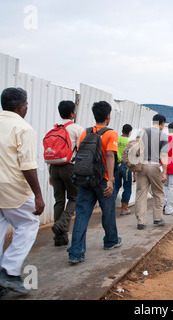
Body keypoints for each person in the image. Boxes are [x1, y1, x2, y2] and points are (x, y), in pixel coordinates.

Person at [0, 87, 45, 300]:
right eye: (26, 104)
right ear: (20, 106)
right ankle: (9, 270)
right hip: (13, 189)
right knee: (29, 223)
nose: (26, 108)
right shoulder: (23, 128)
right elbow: (27, 166)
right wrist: (39, 196)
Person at [67, 101, 121, 264]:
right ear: (108, 116)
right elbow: (110, 156)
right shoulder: (111, 134)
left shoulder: (85, 132)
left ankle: (76, 252)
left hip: (86, 180)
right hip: (103, 180)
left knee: (82, 215)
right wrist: (110, 180)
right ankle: (110, 241)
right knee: (108, 211)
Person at [49, 100, 84, 246]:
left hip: (54, 167)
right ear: (72, 113)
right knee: (75, 197)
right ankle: (62, 225)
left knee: (59, 201)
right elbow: (82, 151)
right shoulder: (77, 129)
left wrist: (50, 174)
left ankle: (59, 238)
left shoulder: (54, 128)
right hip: (69, 167)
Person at [135, 114, 169, 230]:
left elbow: (137, 151)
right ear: (162, 123)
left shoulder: (142, 132)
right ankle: (158, 218)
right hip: (154, 165)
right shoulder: (163, 135)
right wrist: (164, 172)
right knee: (158, 192)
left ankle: (141, 222)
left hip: (142, 166)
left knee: (141, 193)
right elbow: (164, 155)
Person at [115, 124, 134, 215]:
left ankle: (109, 207)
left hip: (116, 166)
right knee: (127, 187)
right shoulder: (129, 142)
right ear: (130, 132)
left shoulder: (116, 139)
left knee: (115, 187)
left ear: (122, 130)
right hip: (126, 167)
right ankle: (124, 208)